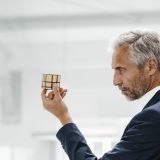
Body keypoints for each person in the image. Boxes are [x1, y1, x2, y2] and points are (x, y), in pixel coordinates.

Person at [41, 31, 160, 160]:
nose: (115, 81)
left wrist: (64, 117)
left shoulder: (153, 117)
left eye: (121, 70)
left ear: (150, 67)